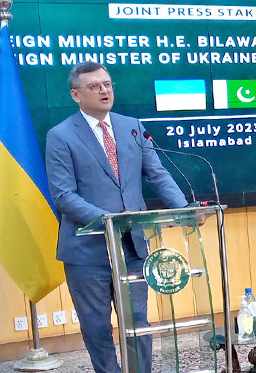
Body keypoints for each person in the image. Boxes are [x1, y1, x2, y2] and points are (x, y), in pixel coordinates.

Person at [45, 61, 189, 373]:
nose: (104, 91)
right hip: (88, 251)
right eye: (94, 86)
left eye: (107, 84)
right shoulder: (60, 136)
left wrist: (184, 208)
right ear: (75, 94)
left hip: (133, 247)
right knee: (97, 327)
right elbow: (64, 196)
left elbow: (158, 175)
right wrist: (110, 220)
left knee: (138, 322)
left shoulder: (132, 126)